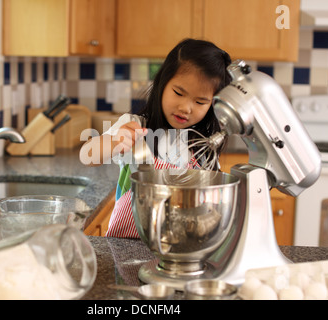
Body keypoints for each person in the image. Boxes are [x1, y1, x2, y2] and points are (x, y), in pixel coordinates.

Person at [79, 38, 232, 238]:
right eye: (178, 92)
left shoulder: (204, 148)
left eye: (200, 101)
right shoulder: (136, 127)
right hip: (128, 246)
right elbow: (87, 155)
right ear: (162, 82)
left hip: (181, 249)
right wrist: (115, 142)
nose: (186, 107)